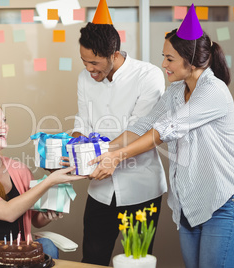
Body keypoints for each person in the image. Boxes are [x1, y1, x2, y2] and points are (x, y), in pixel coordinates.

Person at [89, 4, 234, 268]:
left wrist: (117, 157)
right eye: (163, 56)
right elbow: (144, 125)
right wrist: (101, 151)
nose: (163, 64)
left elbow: (165, 129)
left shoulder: (214, 91)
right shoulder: (177, 91)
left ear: (192, 59)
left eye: (170, 58)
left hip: (224, 203)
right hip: (189, 207)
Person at [70, 0, 167, 265]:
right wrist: (72, 148)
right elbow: (83, 122)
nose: (89, 69)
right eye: (84, 61)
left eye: (94, 62)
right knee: (92, 258)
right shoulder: (84, 78)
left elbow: (140, 129)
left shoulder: (148, 76)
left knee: (136, 260)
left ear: (113, 54)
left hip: (141, 187)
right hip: (100, 189)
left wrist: (97, 154)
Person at [0, 76, 85, 258]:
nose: (4, 126)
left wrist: (47, 213)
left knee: (48, 246)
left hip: (20, 251)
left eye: (4, 120)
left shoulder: (19, 170)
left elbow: (35, 220)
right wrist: (49, 182)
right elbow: (8, 213)